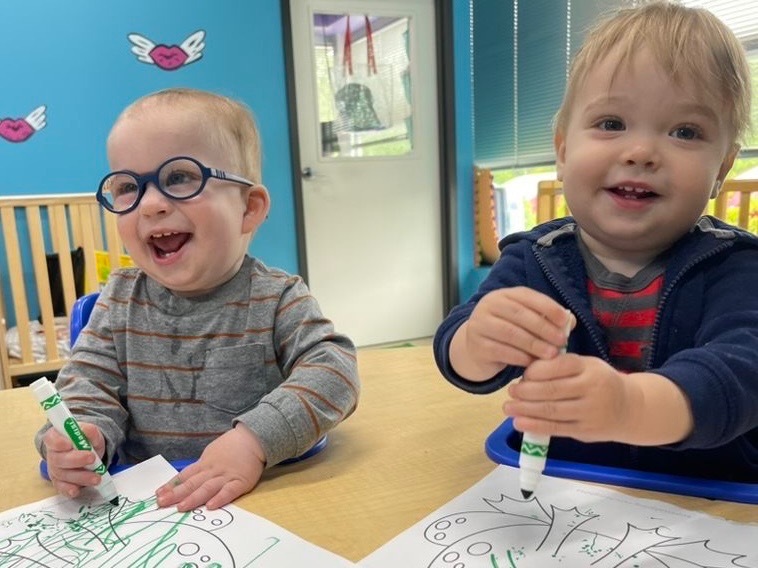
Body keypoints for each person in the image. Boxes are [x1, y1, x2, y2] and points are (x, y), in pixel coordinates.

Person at [434, 1, 758, 481]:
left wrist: (629, 407)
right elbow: (458, 352)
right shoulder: (535, 258)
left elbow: (741, 375)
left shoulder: (737, 267)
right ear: (563, 151)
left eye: (685, 131)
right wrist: (478, 341)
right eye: (611, 124)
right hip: (564, 490)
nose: (641, 152)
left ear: (722, 171)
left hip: (703, 500)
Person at [36, 88, 360, 510]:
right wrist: (82, 436)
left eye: (179, 178)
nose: (150, 204)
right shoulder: (118, 301)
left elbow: (336, 374)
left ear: (249, 208)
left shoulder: (278, 297)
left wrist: (253, 441)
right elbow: (86, 386)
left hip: (260, 501)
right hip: (145, 507)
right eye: (128, 187)